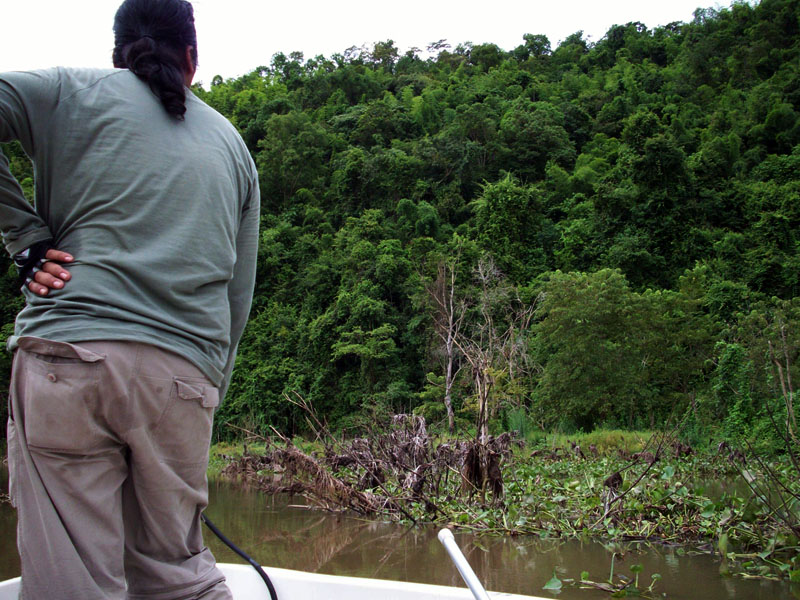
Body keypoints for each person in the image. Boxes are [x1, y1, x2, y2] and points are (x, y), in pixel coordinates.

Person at [0, 0, 259, 598]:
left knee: (75, 580)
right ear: (191, 57)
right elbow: (236, 295)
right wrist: (204, 389)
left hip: (69, 358)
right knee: (179, 576)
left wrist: (25, 238)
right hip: (183, 381)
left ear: (116, 52)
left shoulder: (67, 92)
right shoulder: (233, 147)